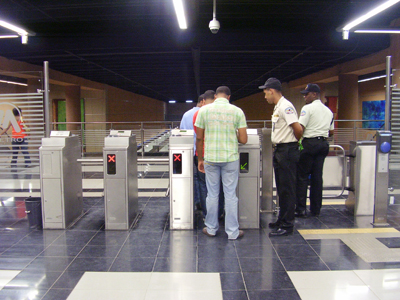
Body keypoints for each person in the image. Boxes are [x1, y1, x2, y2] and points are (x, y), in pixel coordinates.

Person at [195, 86, 247, 240]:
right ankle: (232, 232)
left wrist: (200, 159)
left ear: (216, 96)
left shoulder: (203, 111)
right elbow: (244, 139)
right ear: (229, 97)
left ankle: (211, 228)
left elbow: (199, 138)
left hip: (210, 158)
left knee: (212, 195)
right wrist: (233, 133)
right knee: (230, 195)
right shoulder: (237, 111)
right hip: (230, 159)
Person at [259, 78, 303, 237]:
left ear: (271, 91)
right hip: (280, 150)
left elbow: (298, 129)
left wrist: (291, 145)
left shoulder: (286, 107)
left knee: (288, 189)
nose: (265, 97)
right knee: (282, 188)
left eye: (266, 94)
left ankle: (287, 225)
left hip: (287, 150)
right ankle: (281, 219)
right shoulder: (279, 107)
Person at [295, 84, 334, 217]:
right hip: (323, 144)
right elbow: (332, 131)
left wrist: (297, 142)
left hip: (309, 143)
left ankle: (300, 208)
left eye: (307, 94)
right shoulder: (329, 111)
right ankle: (316, 209)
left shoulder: (307, 108)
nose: (304, 96)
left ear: (315, 94)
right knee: (317, 177)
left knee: (302, 177)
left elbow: (300, 128)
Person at [192, 90, 216, 218]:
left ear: (203, 100)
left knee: (203, 184)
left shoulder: (198, 113)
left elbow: (199, 136)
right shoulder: (219, 112)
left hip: (202, 152)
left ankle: (207, 214)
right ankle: (218, 213)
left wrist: (200, 157)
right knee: (218, 185)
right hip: (217, 153)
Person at [180, 95, 205, 210]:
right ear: (202, 102)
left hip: (188, 150)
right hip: (202, 151)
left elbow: (182, 132)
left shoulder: (186, 114)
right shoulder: (204, 113)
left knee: (193, 176)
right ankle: (204, 203)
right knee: (202, 179)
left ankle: (196, 201)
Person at [0, 107, 31, 172]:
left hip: (16, 137)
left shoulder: (14, 119)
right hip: (22, 137)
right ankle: (27, 163)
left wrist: (1, 134)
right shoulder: (21, 119)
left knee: (16, 151)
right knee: (24, 150)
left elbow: (6, 128)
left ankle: (14, 163)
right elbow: (28, 127)